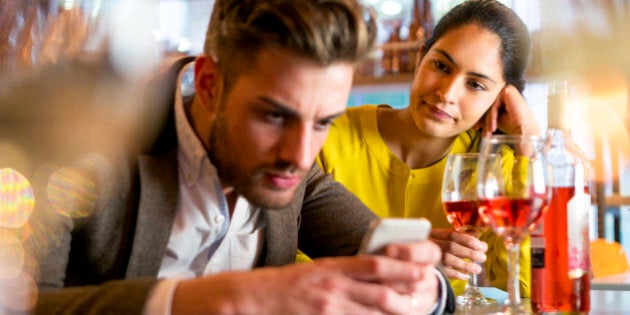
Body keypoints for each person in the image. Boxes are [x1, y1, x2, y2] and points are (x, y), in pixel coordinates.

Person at [20, 0, 456, 314]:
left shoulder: (295, 169)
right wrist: (221, 299)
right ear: (209, 84)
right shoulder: (85, 144)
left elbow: (417, 274)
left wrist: (424, 288)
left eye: (324, 122)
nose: (301, 155)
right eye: (273, 115)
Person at [317, 0, 538, 296]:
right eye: (441, 66)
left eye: (475, 85)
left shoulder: (494, 166)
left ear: (500, 98)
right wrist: (396, 259)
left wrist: (528, 141)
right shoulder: (329, 135)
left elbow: (528, 284)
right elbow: (286, 260)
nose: (446, 93)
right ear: (420, 57)